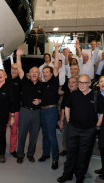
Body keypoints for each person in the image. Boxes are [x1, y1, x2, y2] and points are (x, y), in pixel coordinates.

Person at [57, 74, 104, 183]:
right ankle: (67, 174)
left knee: (84, 155)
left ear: (89, 84)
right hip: (73, 128)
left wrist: (97, 125)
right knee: (71, 153)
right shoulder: (74, 95)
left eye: (85, 83)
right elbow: (67, 107)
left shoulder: (97, 96)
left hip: (88, 131)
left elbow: (102, 113)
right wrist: (68, 122)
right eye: (80, 83)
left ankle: (80, 177)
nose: (82, 85)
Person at [15, 46, 43, 164]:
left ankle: (30, 154)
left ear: (38, 74)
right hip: (25, 111)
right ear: (29, 74)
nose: (34, 74)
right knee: (21, 134)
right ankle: (20, 154)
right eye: (32, 72)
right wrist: (18, 56)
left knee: (34, 135)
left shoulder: (42, 85)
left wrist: (40, 101)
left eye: (36, 72)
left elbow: (45, 98)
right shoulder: (25, 81)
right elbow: (20, 68)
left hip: (37, 113)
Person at [38, 42, 60, 170]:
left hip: (51, 111)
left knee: (52, 135)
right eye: (44, 72)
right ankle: (46, 154)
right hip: (43, 111)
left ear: (51, 73)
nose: (45, 74)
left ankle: (55, 159)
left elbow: (56, 66)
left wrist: (56, 50)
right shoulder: (43, 84)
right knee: (45, 135)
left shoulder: (54, 81)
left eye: (47, 72)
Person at [59, 77, 78, 156]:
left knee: (74, 138)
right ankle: (65, 149)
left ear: (77, 84)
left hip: (76, 121)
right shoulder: (66, 94)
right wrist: (61, 121)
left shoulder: (80, 94)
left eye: (73, 82)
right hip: (67, 119)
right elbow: (63, 108)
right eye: (69, 82)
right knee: (65, 134)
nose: (70, 84)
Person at [6, 63, 22, 158]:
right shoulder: (5, 78)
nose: (14, 70)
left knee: (14, 131)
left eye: (16, 69)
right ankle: (1, 148)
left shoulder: (20, 81)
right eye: (13, 68)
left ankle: (12, 150)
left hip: (15, 110)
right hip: (4, 110)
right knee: (2, 131)